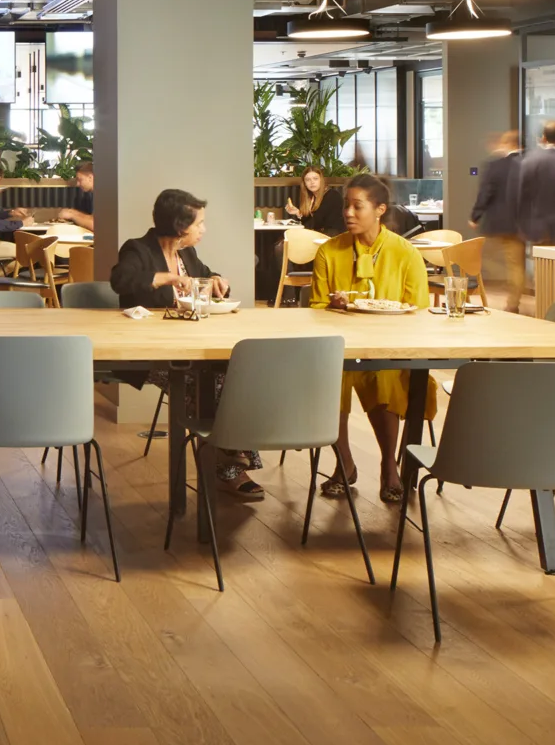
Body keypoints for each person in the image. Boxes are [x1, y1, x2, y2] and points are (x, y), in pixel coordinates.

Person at [109, 189, 262, 501]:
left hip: (190, 346)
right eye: (200, 223)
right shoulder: (137, 249)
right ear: (181, 227)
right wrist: (164, 279)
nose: (203, 229)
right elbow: (120, 281)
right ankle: (228, 465)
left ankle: (226, 461)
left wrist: (218, 280)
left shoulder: (187, 255)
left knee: (226, 377)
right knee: (200, 384)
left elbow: (204, 276)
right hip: (147, 351)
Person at [308, 173, 434, 503]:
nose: (348, 213)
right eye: (346, 206)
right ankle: (344, 462)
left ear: (379, 209)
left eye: (357, 206)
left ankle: (389, 465)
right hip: (337, 348)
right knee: (327, 383)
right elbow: (315, 308)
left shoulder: (405, 253)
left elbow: (418, 310)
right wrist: (334, 306)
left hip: (390, 348)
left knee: (384, 378)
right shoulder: (329, 252)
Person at [470, 129, 526, 311]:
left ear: (508, 144)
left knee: (486, 257)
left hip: (499, 223)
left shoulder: (495, 165)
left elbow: (486, 193)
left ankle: (507, 291)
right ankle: (513, 301)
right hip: (525, 223)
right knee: (516, 265)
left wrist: (475, 216)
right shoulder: (531, 164)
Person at [285, 166, 345, 235]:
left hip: (333, 237)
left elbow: (316, 222)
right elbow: (311, 223)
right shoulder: (312, 198)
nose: (312, 182)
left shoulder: (332, 195)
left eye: (315, 179)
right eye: (308, 180)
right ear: (305, 184)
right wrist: (298, 213)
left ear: (321, 180)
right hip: (319, 234)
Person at [52, 162, 94, 230]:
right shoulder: (91, 195)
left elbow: (97, 225)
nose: (77, 184)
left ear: (90, 178)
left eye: (80, 180)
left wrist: (72, 214)